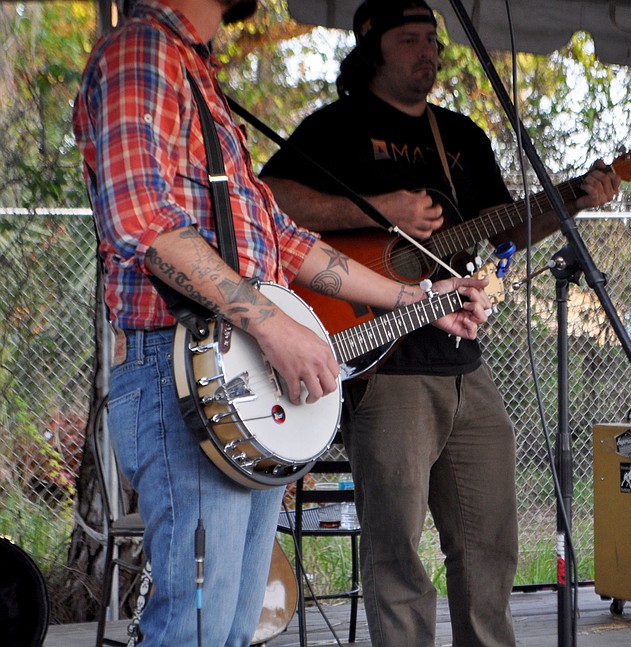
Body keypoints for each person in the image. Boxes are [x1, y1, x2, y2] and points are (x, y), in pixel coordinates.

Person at [72, 1, 491, 645]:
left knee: (234, 627)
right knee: (197, 628)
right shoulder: (141, 50)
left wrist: (415, 296)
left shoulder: (197, 72)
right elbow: (142, 221)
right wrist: (273, 324)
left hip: (237, 371)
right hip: (179, 371)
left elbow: (287, 241)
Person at [259, 1, 621, 645]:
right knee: (396, 546)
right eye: (409, 39)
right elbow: (271, 200)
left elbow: (503, 224)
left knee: (490, 542)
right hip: (381, 363)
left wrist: (572, 199)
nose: (428, 51)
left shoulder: (459, 136)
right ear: (373, 49)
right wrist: (376, 208)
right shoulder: (337, 127)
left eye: (433, 39)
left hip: (461, 359)